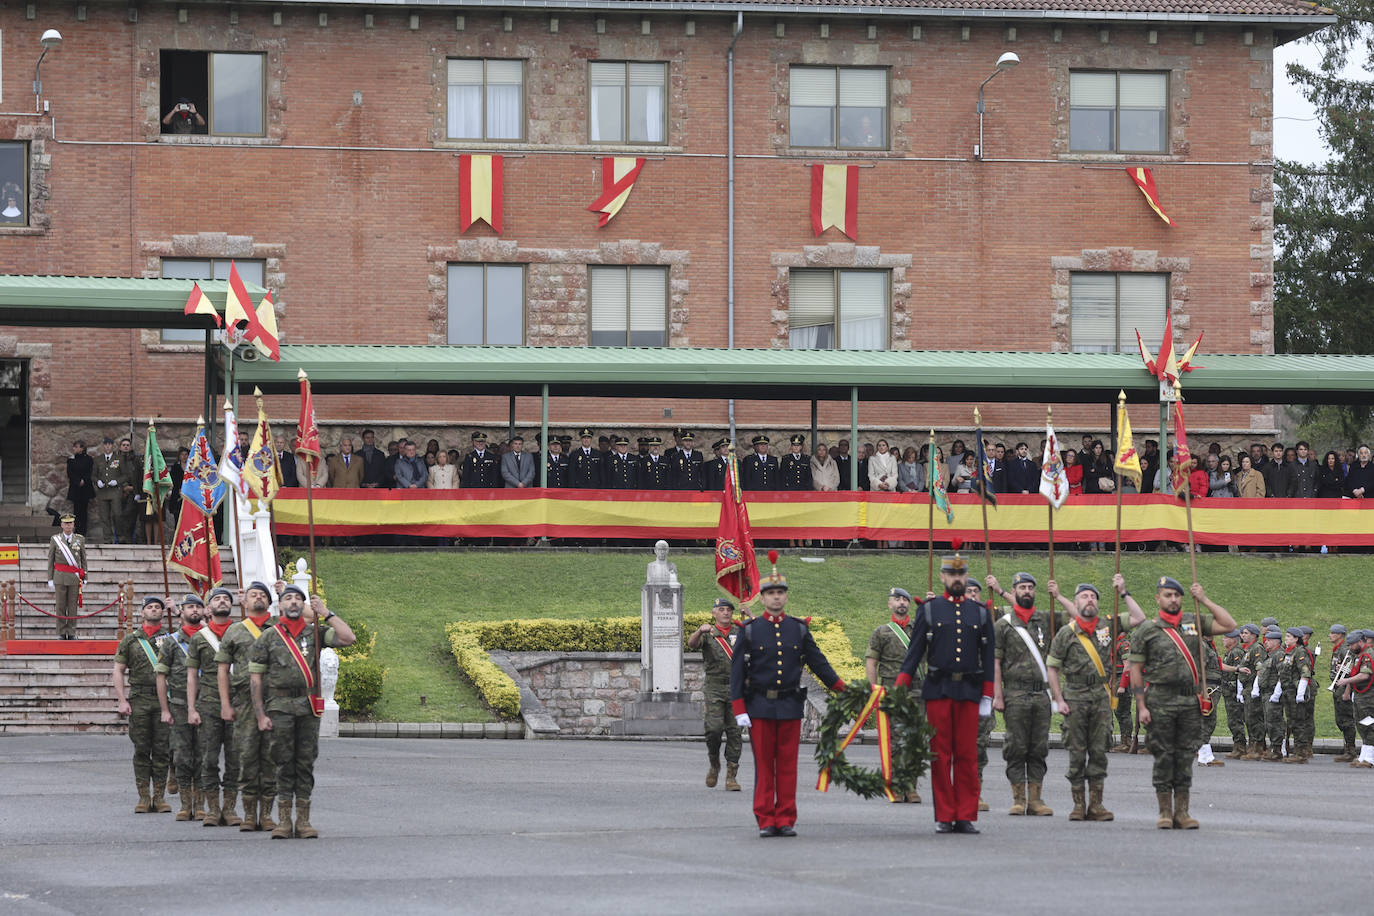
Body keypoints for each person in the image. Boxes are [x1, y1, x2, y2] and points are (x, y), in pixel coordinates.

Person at [730, 555, 845, 837]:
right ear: (763, 598)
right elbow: (736, 672)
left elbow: (819, 663)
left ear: (786, 596)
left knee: (787, 766)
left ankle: (785, 818)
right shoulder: (751, 630)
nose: (776, 598)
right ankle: (766, 818)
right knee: (765, 767)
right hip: (759, 706)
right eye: (771, 593)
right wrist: (739, 707)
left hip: (790, 705)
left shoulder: (799, 629)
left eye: (780, 593)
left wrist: (844, 689)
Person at [894, 550, 995, 834]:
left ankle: (965, 814)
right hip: (938, 690)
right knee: (941, 755)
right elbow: (914, 654)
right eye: (951, 574)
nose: (957, 579)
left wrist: (988, 694)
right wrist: (899, 687)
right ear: (943, 577)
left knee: (967, 755)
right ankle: (945, 814)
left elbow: (987, 657)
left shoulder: (980, 613)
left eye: (961, 574)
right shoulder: (929, 610)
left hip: (969, 691)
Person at [1127, 575, 1236, 829]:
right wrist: (1141, 705)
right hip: (1160, 699)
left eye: (1177, 595)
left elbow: (1229, 623)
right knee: (1164, 756)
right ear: (1158, 598)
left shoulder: (1193, 622)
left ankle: (1183, 812)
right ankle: (1165, 812)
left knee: (1185, 756)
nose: (1173, 599)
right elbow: (1135, 669)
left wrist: (1204, 599)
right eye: (1168, 595)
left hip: (1189, 700)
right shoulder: (1147, 630)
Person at [250, 586, 355, 838]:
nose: (294, 602)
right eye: (288, 598)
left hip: (307, 708)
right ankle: (284, 822)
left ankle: (304, 821)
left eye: (298, 599)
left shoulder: (315, 633)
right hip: (279, 707)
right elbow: (255, 678)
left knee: (305, 763)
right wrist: (260, 714)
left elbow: (348, 638)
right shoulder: (268, 637)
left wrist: (326, 612)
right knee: (283, 762)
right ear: (280, 605)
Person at [1044, 578, 1142, 822]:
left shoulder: (1108, 625)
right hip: (1075, 696)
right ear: (1076, 602)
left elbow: (1139, 618)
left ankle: (1097, 805)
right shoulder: (1066, 633)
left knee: (1099, 752)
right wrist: (1059, 699)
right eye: (1084, 596)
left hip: (1100, 697)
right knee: (1076, 752)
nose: (1089, 600)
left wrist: (1124, 592)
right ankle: (1079, 805)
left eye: (1093, 596)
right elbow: (1052, 668)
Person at [986, 571, 1062, 816]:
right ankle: (1018, 798)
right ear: (1014, 591)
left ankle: (1036, 800)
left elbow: (1076, 615)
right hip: (1015, 694)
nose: (1027, 591)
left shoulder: (1046, 619)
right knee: (1017, 746)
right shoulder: (1003, 625)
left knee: (1038, 747)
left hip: (1041, 695)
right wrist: (997, 694)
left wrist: (1058, 596)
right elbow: (995, 662)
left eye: (1030, 587)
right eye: (1022, 588)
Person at [216, 582, 279, 832]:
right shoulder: (234, 631)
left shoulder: (278, 629)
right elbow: (222, 670)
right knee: (247, 757)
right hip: (243, 702)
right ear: (244, 602)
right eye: (254, 595)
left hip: (275, 701)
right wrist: (224, 704)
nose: (258, 598)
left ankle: (267, 815)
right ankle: (249, 814)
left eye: (263, 595)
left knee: (271, 759)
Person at [185, 587, 241, 826]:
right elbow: (191, 676)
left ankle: (229, 809)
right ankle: (212, 809)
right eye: (217, 598)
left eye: (226, 599)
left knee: (234, 758)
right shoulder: (199, 638)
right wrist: (191, 708)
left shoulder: (241, 633)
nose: (222, 602)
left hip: (238, 702)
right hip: (208, 702)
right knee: (208, 758)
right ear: (208, 608)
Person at [113, 596, 173, 813]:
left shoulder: (171, 639)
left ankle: (159, 797)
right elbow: (118, 670)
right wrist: (122, 700)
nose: (154, 610)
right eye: (150, 607)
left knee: (162, 749)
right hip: (139, 698)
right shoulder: (130, 640)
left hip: (165, 700)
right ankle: (143, 797)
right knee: (141, 748)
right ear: (142, 613)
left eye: (158, 607)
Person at [865, 587, 920, 803]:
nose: (902, 603)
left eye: (905, 599)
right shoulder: (882, 632)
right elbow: (872, 661)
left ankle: (911, 786)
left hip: (916, 691)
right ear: (890, 604)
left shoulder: (919, 629)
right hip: (891, 691)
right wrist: (874, 689)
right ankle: (896, 786)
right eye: (897, 599)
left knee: (915, 739)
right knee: (896, 741)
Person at [156, 593, 205, 822]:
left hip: (206, 703)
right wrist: (164, 709)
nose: (194, 610)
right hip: (178, 705)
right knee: (183, 755)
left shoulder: (210, 639)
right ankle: (186, 804)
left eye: (198, 607)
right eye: (190, 607)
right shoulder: (171, 641)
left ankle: (201, 803)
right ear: (181, 612)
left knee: (204, 755)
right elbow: (161, 675)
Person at [687, 597, 744, 792]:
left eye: (728, 609)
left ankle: (731, 775)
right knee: (713, 729)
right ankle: (714, 762)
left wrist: (751, 620)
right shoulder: (709, 633)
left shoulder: (739, 631)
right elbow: (692, 644)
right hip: (714, 688)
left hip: (737, 688)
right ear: (714, 613)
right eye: (721, 609)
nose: (726, 612)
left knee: (735, 732)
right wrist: (699, 631)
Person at [1332, 629, 1374, 767]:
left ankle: (1370, 758)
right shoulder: (1360, 655)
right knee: (1362, 724)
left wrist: (1346, 681)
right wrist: (1344, 670)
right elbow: (1357, 671)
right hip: (1361, 695)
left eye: (1352, 645)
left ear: (1360, 642)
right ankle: (1364, 756)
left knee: (1368, 725)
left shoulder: (1367, 655)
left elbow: (1365, 675)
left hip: (1368, 696)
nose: (1350, 647)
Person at [45, 514, 86, 640]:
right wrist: (50, 578)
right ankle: (62, 632)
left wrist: (85, 576)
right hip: (60, 577)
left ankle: (72, 632)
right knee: (61, 606)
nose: (68, 526)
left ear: (73, 525)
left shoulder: (80, 539)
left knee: (72, 606)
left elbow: (83, 559)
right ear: (62, 525)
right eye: (65, 523)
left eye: (70, 523)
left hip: (74, 577)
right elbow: (50, 560)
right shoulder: (55, 539)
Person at [1279, 626, 1315, 763]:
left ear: (1296, 639)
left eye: (1289, 636)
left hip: (1296, 692)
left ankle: (1301, 754)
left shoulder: (1300, 652)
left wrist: (1300, 693)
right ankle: (1297, 752)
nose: (1286, 639)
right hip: (1288, 691)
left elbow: (1305, 673)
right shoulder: (1289, 652)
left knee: (1299, 723)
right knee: (1292, 721)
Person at [1328, 624, 1358, 761]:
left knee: (1346, 720)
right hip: (1338, 687)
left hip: (1344, 687)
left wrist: (1347, 691)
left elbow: (1350, 673)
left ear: (1340, 635)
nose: (1330, 635)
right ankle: (1347, 748)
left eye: (1333, 633)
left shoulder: (1345, 650)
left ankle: (1350, 750)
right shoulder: (1338, 650)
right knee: (1341, 720)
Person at [1218, 628, 1248, 759]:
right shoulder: (1230, 652)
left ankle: (1240, 747)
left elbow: (1239, 674)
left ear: (1233, 640)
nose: (1223, 639)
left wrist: (1236, 690)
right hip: (1229, 692)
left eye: (1226, 637)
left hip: (1233, 692)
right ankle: (1239, 746)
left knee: (1235, 720)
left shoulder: (1236, 652)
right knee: (1233, 720)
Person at [92, 436, 125, 543]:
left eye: (109, 444)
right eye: (105, 444)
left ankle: (120, 537)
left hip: (115, 491)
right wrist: (97, 481)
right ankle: (107, 539)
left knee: (117, 514)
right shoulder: (98, 459)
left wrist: (117, 481)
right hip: (102, 492)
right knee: (104, 516)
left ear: (113, 446)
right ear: (103, 446)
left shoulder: (119, 459)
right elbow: (93, 475)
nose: (107, 447)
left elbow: (126, 475)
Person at [66, 440, 94, 536]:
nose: (75, 449)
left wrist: (84, 480)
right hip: (75, 488)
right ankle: (76, 530)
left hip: (85, 488)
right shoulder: (71, 460)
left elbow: (90, 472)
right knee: (76, 510)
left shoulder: (89, 459)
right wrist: (77, 481)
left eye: (77, 447)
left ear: (82, 448)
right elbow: (70, 473)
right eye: (74, 447)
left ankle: (83, 531)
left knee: (84, 511)